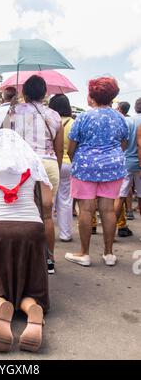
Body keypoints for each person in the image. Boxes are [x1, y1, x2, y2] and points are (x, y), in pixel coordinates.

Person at [0, 129, 52, 353]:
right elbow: (48, 202)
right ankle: (30, 305)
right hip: (31, 228)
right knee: (32, 281)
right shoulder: (31, 162)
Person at [65, 77, 129, 267]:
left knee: (85, 209)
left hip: (86, 167)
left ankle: (84, 253)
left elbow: (71, 147)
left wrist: (81, 158)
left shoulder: (84, 117)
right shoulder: (120, 118)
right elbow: (123, 144)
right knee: (108, 209)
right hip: (112, 167)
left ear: (92, 96)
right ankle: (109, 254)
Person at [10, 75, 63, 274]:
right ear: (44, 93)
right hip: (49, 165)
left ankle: (24, 259)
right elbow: (58, 150)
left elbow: (5, 139)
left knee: (23, 213)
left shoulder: (14, 111)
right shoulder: (54, 115)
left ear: (24, 92)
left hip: (24, 165)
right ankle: (49, 260)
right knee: (46, 216)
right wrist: (53, 168)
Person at [49, 94, 74, 242]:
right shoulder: (73, 122)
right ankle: (65, 234)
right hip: (68, 163)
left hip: (52, 162)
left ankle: (48, 230)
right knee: (66, 200)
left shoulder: (51, 121)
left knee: (49, 200)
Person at [115, 98, 141, 227]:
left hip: (126, 162)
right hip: (139, 164)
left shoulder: (127, 121)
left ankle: (112, 228)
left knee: (120, 195)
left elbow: (120, 142)